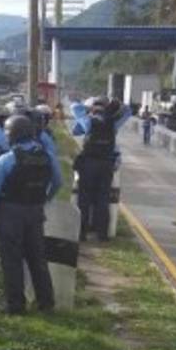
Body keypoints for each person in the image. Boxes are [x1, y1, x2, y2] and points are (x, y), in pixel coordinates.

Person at [0, 114, 62, 314]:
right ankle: (46, 302)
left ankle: (15, 305)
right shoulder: (47, 156)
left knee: (11, 259)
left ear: (12, 135)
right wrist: (44, 199)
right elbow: (58, 183)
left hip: (10, 214)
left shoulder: (7, 159)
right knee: (37, 258)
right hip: (35, 212)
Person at [71, 97, 132, 242]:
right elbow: (128, 111)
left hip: (88, 164)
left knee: (84, 200)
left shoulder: (88, 121)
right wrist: (115, 105)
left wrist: (87, 109)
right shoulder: (113, 122)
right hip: (106, 165)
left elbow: (74, 107)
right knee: (103, 199)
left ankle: (82, 233)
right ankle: (102, 234)